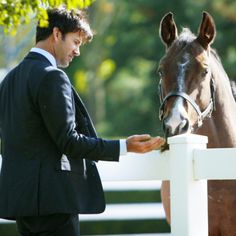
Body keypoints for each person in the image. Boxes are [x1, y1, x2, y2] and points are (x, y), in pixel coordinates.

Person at [0, 7, 164, 236]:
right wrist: (124, 146)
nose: (77, 51)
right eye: (75, 42)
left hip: (22, 204)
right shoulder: (51, 76)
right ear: (57, 34)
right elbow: (69, 141)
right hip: (53, 204)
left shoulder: (8, 81)